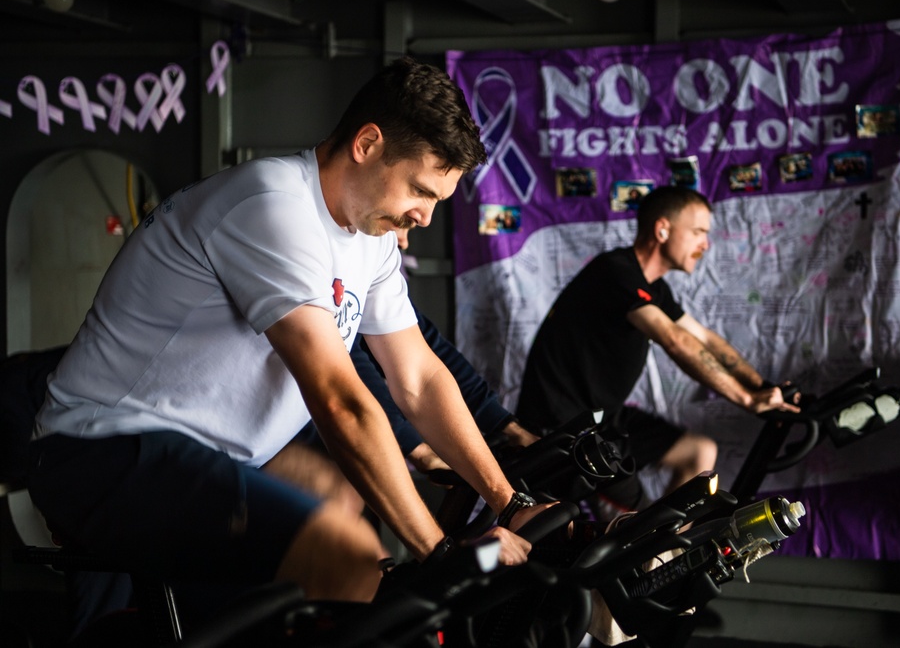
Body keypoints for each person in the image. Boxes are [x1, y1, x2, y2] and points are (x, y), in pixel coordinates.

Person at [28, 57, 549, 610]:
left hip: (207, 456)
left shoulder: (368, 235)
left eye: (436, 203)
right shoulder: (273, 205)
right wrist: (441, 555)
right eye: (419, 191)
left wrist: (511, 503)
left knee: (337, 496)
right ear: (367, 144)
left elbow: (417, 377)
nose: (423, 217)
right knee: (347, 557)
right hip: (99, 448)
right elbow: (339, 400)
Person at [515, 186, 798, 507]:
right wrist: (747, 399)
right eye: (698, 232)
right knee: (641, 527)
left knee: (699, 453)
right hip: (563, 428)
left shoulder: (655, 288)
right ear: (663, 229)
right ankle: (651, 550)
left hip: (604, 419)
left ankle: (665, 553)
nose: (705, 244)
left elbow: (704, 338)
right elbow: (675, 341)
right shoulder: (616, 272)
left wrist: (763, 387)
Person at [352, 227, 538, 474]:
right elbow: (350, 361)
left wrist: (507, 426)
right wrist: (418, 450)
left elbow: (426, 347)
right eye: (401, 222)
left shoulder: (373, 264)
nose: (404, 241)